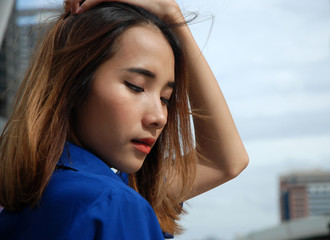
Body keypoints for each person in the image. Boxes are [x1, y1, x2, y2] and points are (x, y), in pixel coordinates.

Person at [0, 0, 249, 239]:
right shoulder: (111, 203)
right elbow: (223, 162)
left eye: (166, 98)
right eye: (136, 86)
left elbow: (225, 162)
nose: (159, 118)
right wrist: (172, 15)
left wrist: (171, 13)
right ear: (72, 84)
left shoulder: (30, 193)